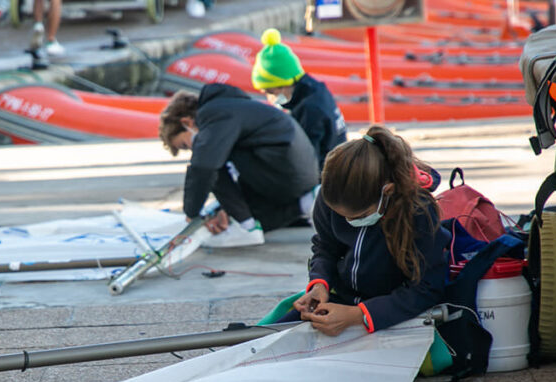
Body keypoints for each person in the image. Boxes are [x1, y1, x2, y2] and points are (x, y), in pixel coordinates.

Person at [279, 126, 449, 336]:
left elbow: (428, 287)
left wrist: (358, 315)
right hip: (341, 302)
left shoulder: (418, 212)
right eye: (340, 215)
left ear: (388, 192)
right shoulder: (330, 196)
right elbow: (326, 247)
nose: (348, 222)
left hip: (396, 310)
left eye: (358, 216)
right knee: (266, 340)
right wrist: (320, 284)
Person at [158, 84, 320, 247]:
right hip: (297, 173)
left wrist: (191, 214)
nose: (192, 150)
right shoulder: (232, 107)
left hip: (284, 169)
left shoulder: (214, 114)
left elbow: (204, 168)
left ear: (187, 122)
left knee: (210, 163)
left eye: (185, 145)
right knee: (256, 217)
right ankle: (307, 203)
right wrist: (228, 211)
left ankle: (245, 229)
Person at [251, 28, 347, 172]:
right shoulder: (316, 89)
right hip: (337, 162)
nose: (270, 97)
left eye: (270, 91)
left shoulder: (310, 108)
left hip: (328, 174)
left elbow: (307, 158)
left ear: (285, 84)